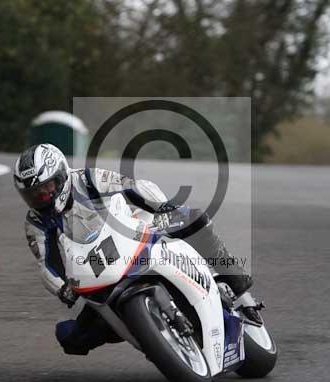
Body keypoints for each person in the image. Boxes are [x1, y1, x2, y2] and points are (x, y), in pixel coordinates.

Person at [14, 143, 262, 355]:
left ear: (61, 175)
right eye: (34, 194)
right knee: (70, 339)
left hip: (137, 233)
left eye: (47, 187)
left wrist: (162, 206)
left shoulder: (87, 179)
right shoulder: (35, 222)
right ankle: (145, 333)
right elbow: (45, 264)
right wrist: (62, 289)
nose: (43, 196)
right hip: (98, 271)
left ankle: (237, 283)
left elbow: (132, 186)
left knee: (194, 219)